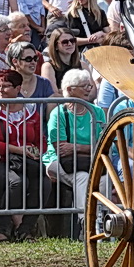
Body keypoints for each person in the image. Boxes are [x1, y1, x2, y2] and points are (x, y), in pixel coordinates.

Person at [0, 67, 49, 241]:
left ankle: (25, 229)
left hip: (26, 161)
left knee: (44, 182)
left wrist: (37, 152)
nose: (0, 90)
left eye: (6, 86)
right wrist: (17, 149)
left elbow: (41, 139)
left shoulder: (30, 109)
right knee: (16, 182)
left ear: (18, 89)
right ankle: (0, 228)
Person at [42, 69, 104, 218]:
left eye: (89, 86)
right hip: (59, 161)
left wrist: (77, 147)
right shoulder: (59, 113)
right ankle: (85, 222)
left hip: (90, 161)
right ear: (70, 89)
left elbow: (106, 145)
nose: (89, 89)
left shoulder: (97, 112)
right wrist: (92, 147)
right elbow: (61, 149)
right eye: (85, 86)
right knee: (82, 177)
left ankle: (102, 222)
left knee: (105, 180)